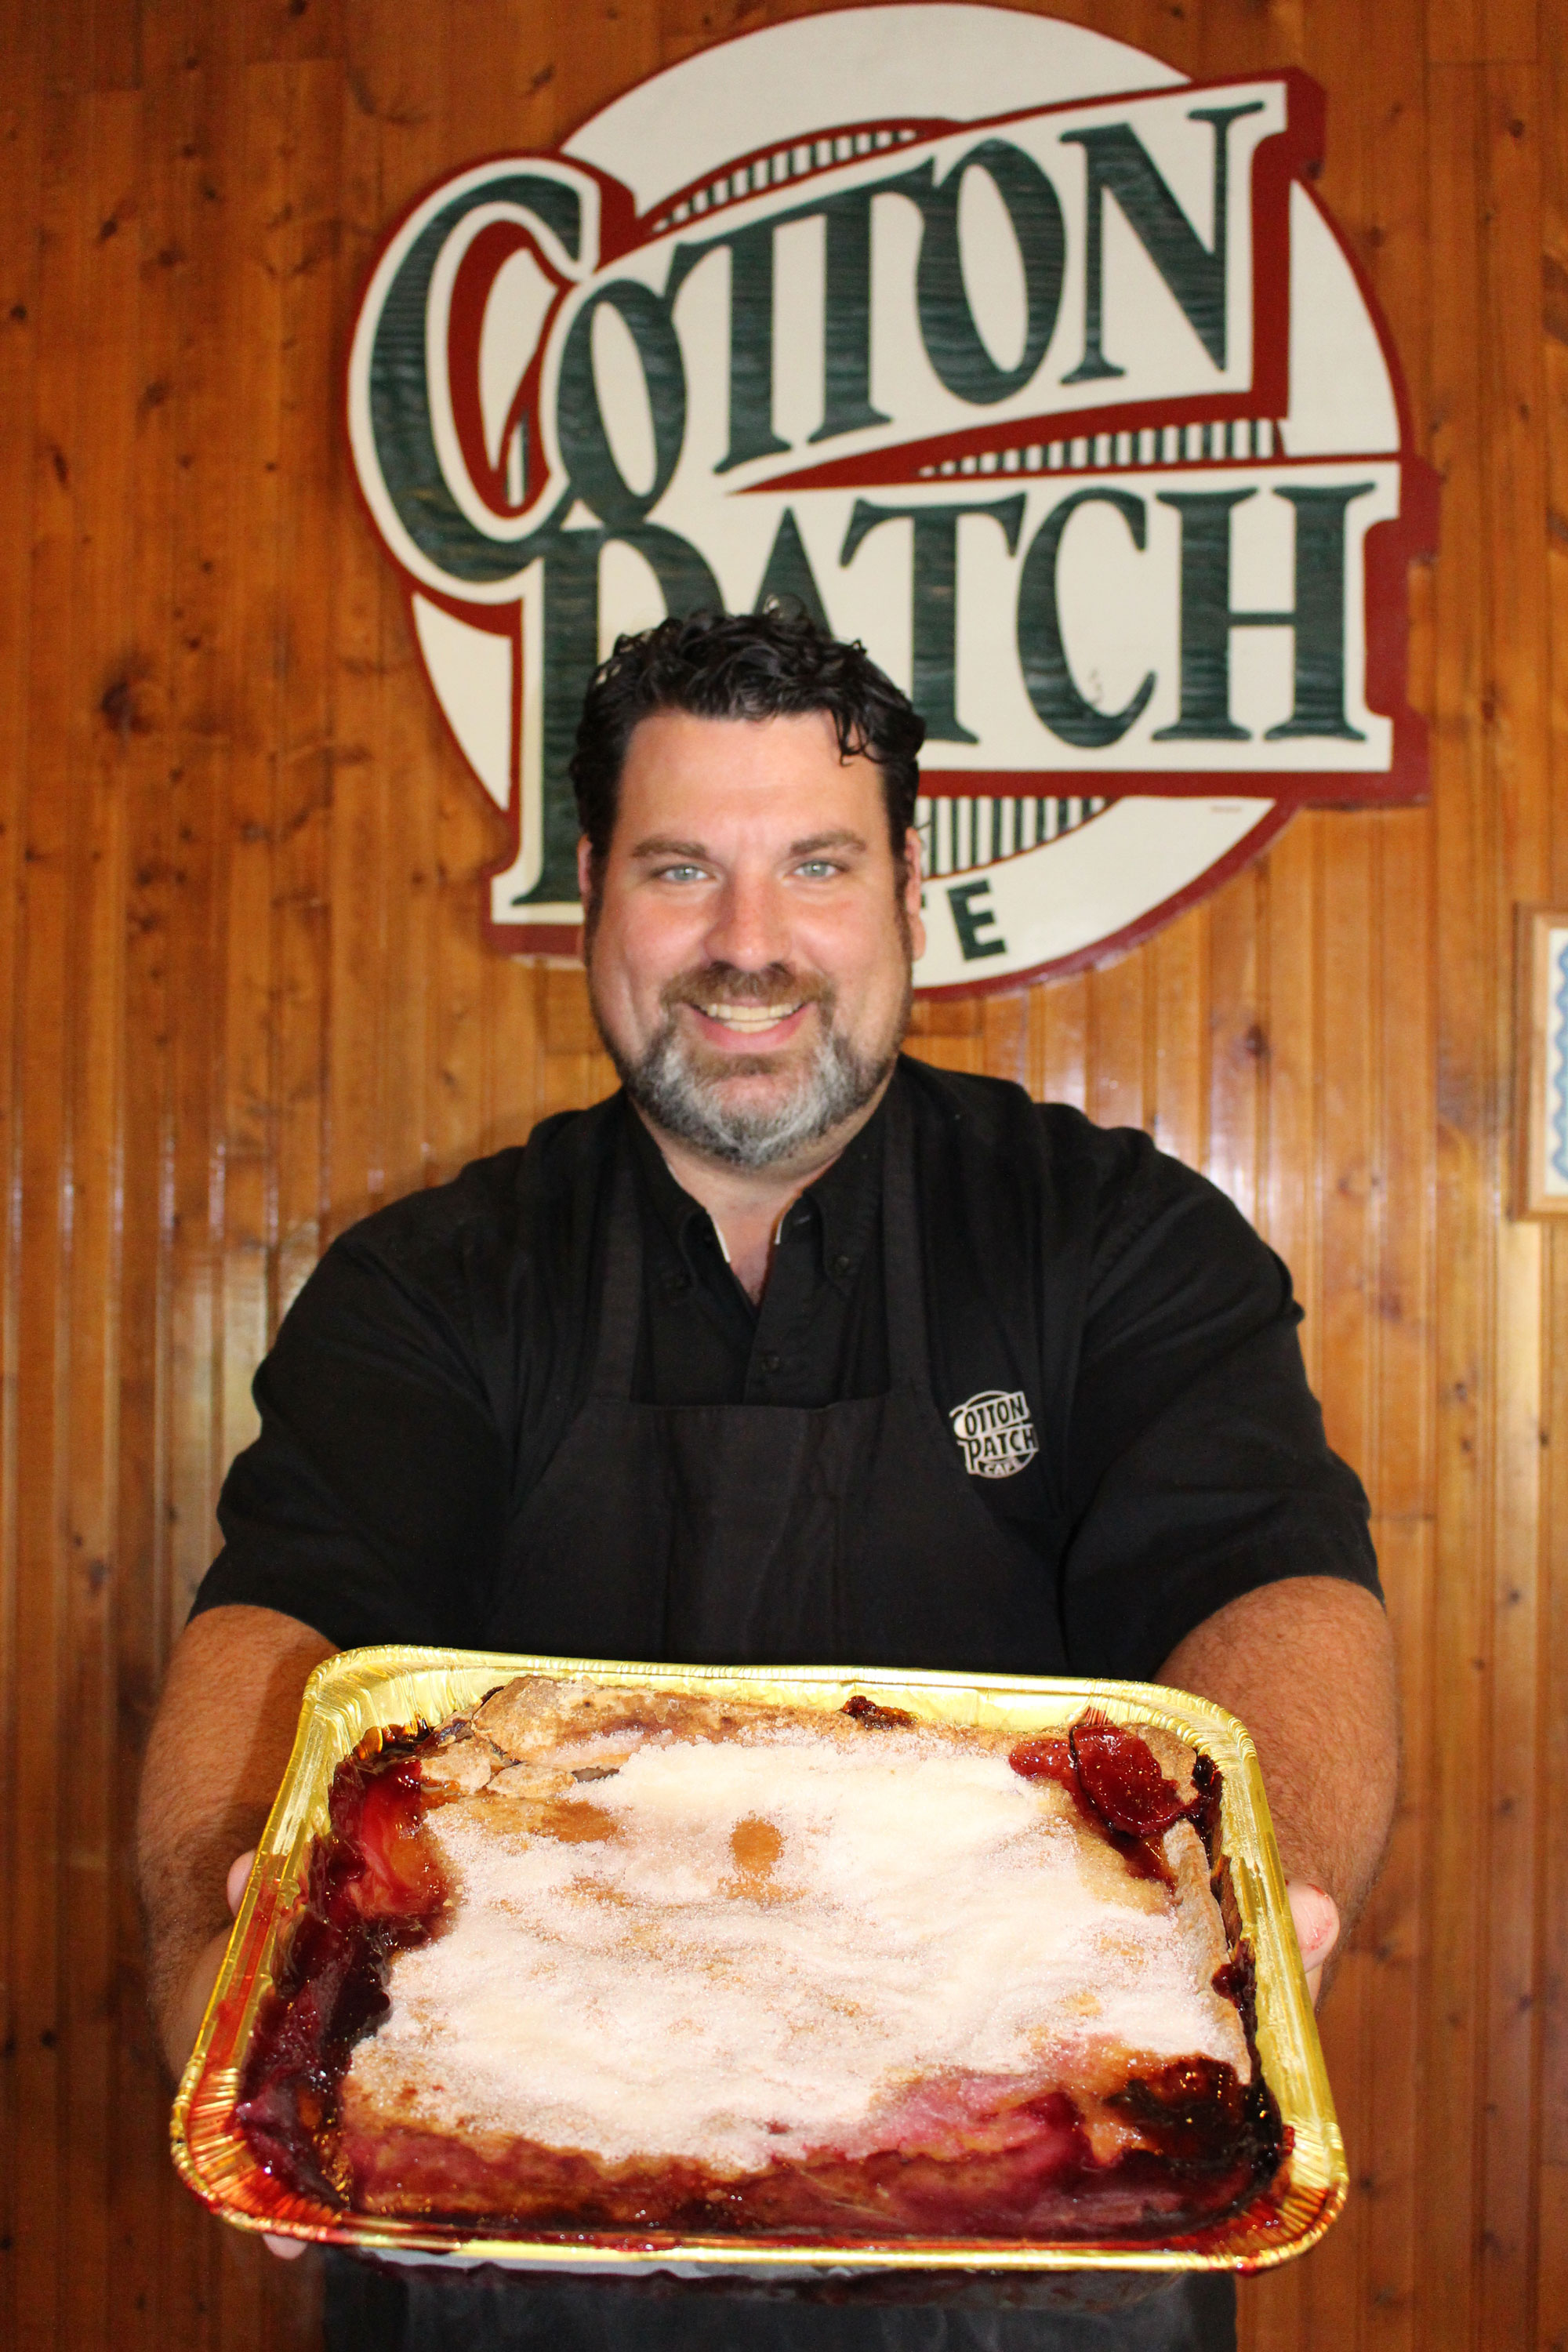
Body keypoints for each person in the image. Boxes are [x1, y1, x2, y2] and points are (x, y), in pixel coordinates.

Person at [138, 609, 1397, 2352]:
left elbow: (1271, 1590)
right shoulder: (430, 1284)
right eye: (679, 870)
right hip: (504, 2227)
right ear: (591, 889)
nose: (749, 945)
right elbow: (284, 1621)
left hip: (1045, 2235)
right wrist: (220, 1956)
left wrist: (1250, 1899)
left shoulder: (1114, 1240)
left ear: (903, 889)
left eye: (814, 864)